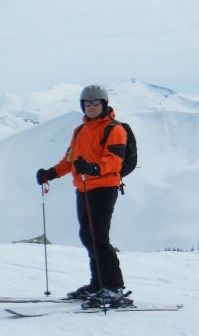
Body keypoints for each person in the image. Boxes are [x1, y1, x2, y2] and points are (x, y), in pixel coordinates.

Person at [35, 84, 132, 308]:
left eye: (95, 102)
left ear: (104, 104)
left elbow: (114, 160)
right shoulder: (80, 131)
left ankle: (114, 288)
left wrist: (93, 168)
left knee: (99, 238)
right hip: (84, 188)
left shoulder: (114, 129)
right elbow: (70, 161)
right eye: (86, 103)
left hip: (104, 187)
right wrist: (51, 173)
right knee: (88, 237)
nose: (90, 106)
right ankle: (98, 284)